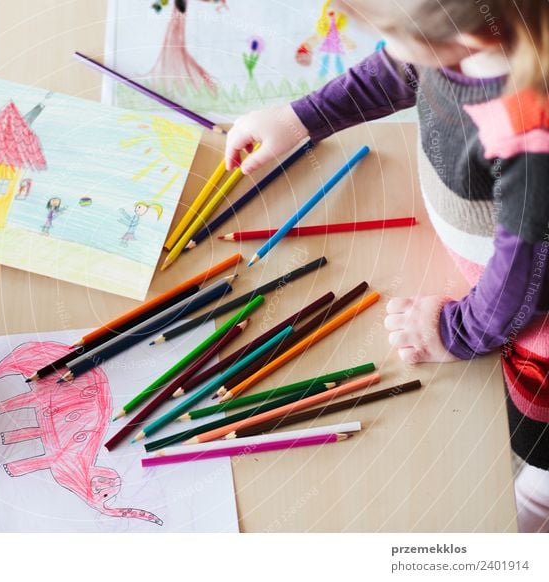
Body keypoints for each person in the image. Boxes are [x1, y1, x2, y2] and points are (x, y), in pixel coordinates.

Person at [224, 0, 549, 532]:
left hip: (532, 328)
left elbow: (523, 282)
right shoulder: (478, 39)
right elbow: (399, 70)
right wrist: (299, 118)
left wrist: (454, 331)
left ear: (473, 43)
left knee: (532, 442)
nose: (385, 53)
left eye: (393, 37)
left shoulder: (530, 135)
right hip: (505, 276)